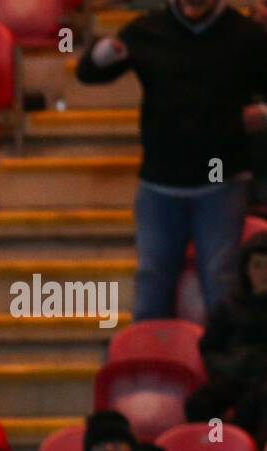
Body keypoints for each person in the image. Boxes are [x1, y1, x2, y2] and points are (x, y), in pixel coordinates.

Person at [77, 0, 267, 320]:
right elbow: (89, 74)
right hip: (159, 184)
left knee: (221, 283)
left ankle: (224, 367)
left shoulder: (245, 34)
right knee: (152, 281)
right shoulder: (146, 30)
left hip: (220, 179)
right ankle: (148, 365)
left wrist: (263, 114)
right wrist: (102, 53)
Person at [185, 232, 267, 443]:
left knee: (253, 405)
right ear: (246, 270)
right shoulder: (230, 305)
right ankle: (216, 445)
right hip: (236, 373)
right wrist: (229, 366)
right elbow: (209, 348)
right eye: (257, 266)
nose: (263, 273)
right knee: (200, 404)